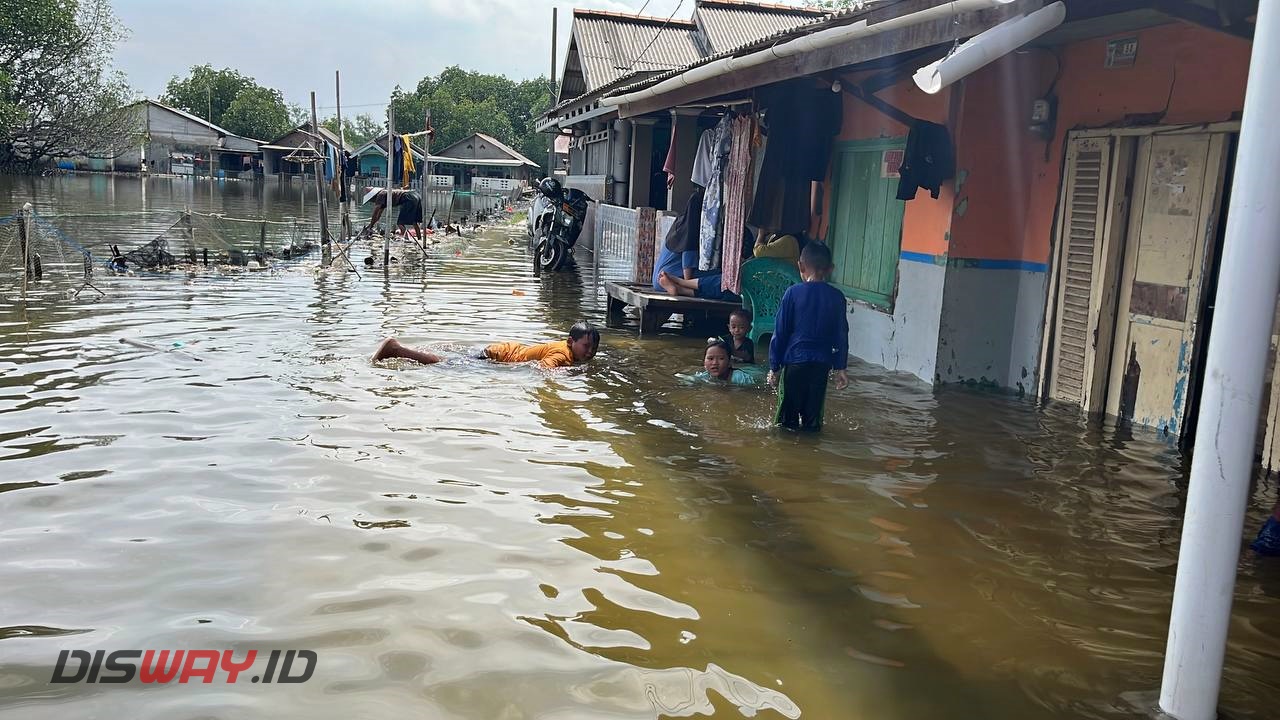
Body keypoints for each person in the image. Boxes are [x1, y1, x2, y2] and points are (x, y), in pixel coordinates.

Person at [767, 242, 849, 431]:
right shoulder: (837, 297)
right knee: (813, 420)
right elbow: (841, 335)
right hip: (821, 365)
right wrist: (840, 367)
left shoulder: (793, 293)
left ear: (800, 266)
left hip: (794, 363)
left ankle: (787, 454)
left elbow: (780, 333)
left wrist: (774, 367)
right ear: (830, 269)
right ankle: (811, 449)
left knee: (786, 421)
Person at [372, 321, 600, 369]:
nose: (589, 352)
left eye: (593, 349)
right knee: (444, 365)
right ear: (571, 342)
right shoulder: (563, 355)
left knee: (458, 360)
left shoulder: (566, 348)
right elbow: (544, 369)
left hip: (503, 349)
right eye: (586, 347)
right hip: (498, 357)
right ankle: (396, 349)